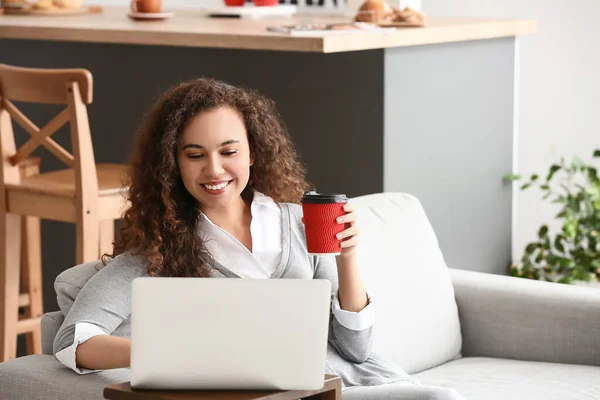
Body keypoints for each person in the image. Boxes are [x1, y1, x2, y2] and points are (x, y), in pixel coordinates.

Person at [52, 78, 465, 400]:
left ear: (252, 153)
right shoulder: (159, 251)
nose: (214, 170)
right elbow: (73, 340)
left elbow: (356, 350)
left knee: (439, 396)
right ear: (173, 164)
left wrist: (347, 255)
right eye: (194, 155)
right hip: (274, 395)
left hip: (355, 384)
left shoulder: (303, 224)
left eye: (228, 151)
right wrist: (174, 350)